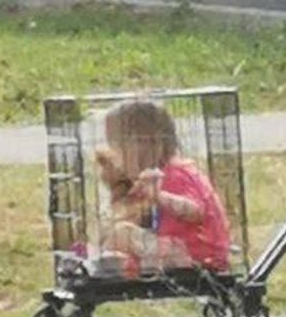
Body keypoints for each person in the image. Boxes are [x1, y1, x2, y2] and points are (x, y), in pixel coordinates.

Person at [94, 100, 231, 273]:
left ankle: (106, 267)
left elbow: (196, 210)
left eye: (119, 146)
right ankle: (114, 262)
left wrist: (159, 196)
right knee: (121, 231)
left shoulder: (176, 174)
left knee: (123, 232)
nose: (117, 155)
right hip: (180, 249)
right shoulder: (162, 173)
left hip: (196, 255)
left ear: (147, 144)